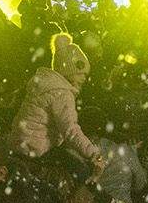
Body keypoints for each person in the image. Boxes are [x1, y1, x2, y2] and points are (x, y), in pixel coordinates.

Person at [8, 32, 101, 164]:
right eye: (81, 73)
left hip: (18, 140)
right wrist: (92, 153)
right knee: (80, 170)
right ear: (69, 71)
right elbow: (70, 129)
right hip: (34, 148)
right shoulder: (62, 93)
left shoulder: (45, 83)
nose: (84, 78)